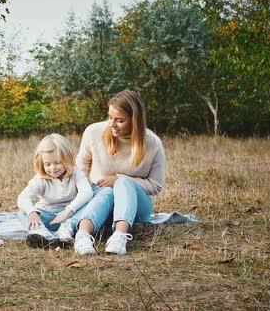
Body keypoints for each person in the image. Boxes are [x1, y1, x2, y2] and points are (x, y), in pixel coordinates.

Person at [65, 90, 165, 255]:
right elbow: (80, 169)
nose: (112, 124)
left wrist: (119, 178)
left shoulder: (152, 143)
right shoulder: (93, 132)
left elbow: (155, 186)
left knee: (123, 183)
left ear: (135, 121)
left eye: (119, 120)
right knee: (107, 192)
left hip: (137, 208)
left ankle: (120, 236)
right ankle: (83, 236)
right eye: (110, 117)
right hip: (100, 198)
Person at [17, 133, 94, 248]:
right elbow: (23, 197)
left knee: (88, 206)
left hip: (69, 215)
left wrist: (69, 210)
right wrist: (32, 212)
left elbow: (86, 192)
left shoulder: (75, 173)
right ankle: (41, 232)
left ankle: (65, 231)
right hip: (47, 215)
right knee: (22, 212)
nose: (52, 168)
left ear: (67, 159)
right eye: (47, 164)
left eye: (57, 162)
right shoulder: (40, 178)